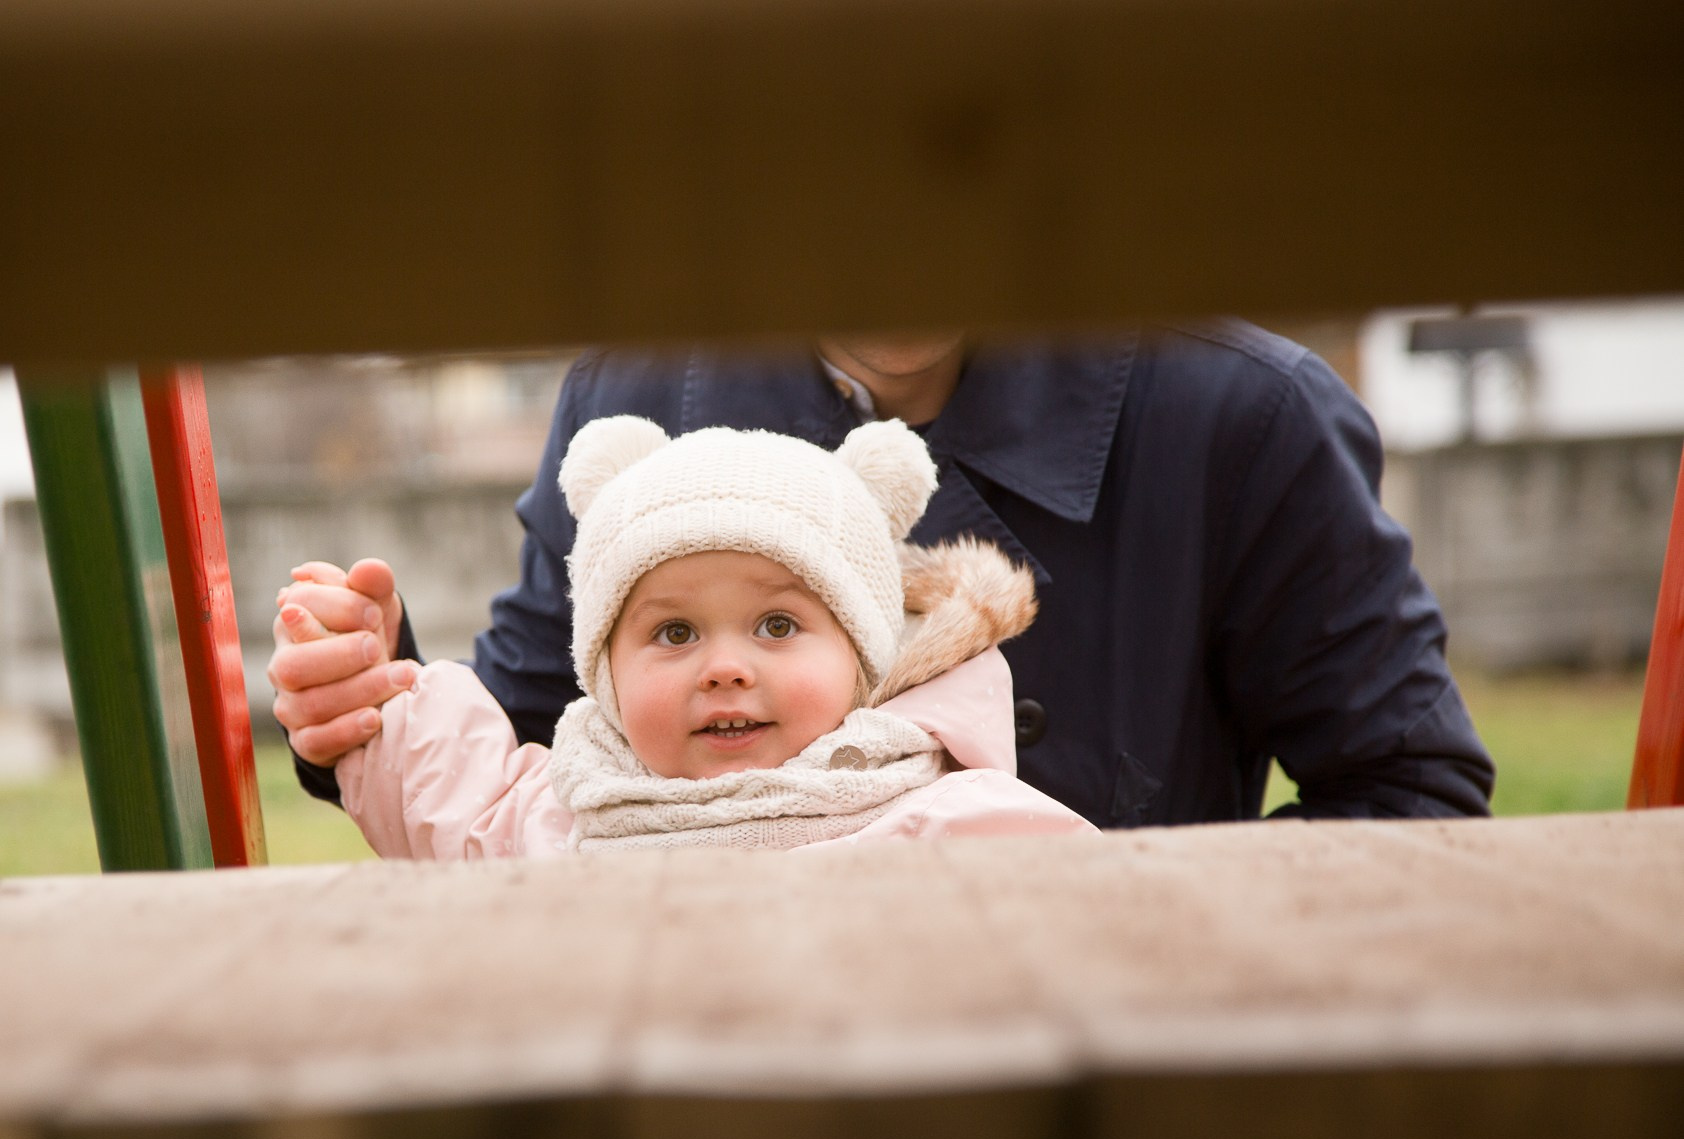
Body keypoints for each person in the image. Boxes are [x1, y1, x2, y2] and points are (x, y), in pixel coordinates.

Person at [273, 325, 1496, 827]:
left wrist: (1137, 960)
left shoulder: (1236, 417)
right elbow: (539, 746)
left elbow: (1407, 790)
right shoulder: (642, 388)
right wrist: (377, 700)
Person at [283, 415, 1094, 858]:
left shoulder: (951, 821)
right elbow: (454, 791)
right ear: (603, 676)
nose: (725, 667)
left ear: (866, 662)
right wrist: (370, 682)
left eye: (778, 624)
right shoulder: (563, 819)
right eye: (673, 630)